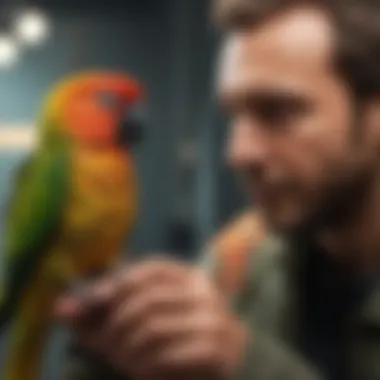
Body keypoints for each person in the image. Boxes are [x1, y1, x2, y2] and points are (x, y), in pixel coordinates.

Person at [56, 0, 380, 379]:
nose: (239, 153)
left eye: (279, 112)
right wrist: (115, 350)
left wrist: (245, 363)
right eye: (234, 116)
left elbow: (237, 360)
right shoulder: (245, 262)